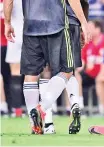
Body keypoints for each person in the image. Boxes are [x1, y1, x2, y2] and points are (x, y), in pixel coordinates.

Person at [4, 0, 91, 134]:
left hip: (30, 26)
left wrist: (7, 22)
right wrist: (84, 23)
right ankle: (46, 109)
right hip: (59, 23)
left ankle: (37, 124)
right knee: (67, 70)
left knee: (31, 74)